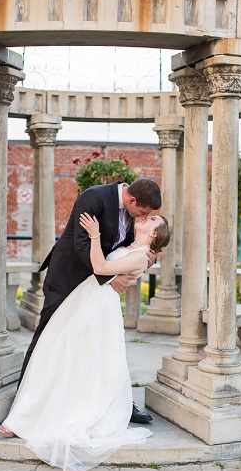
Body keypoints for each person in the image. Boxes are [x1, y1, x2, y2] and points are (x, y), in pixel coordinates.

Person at [0, 212, 171, 471]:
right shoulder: (135, 248)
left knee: (78, 358)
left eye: (152, 219)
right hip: (86, 297)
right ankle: (26, 416)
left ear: (155, 233)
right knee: (56, 353)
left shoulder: (140, 255)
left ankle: (57, 416)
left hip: (98, 307)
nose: (146, 218)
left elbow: (101, 268)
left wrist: (94, 234)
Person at [19, 179, 162, 424]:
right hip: (67, 277)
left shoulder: (132, 214)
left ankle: (115, 402)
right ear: (132, 200)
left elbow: (125, 246)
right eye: (143, 213)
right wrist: (110, 277)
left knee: (97, 346)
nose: (143, 217)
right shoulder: (93, 197)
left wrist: (148, 254)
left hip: (95, 289)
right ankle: (24, 400)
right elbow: (80, 244)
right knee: (48, 336)